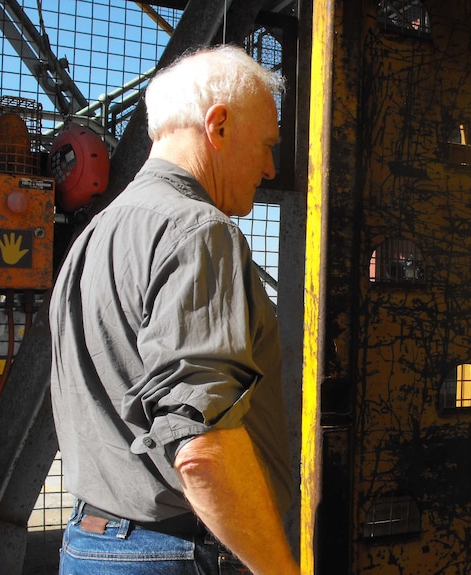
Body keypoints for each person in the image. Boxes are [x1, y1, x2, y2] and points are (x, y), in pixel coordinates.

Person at [49, 44, 299, 575]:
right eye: (267, 144)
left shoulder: (94, 237)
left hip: (90, 544)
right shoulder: (201, 231)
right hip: (174, 553)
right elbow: (202, 450)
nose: (271, 166)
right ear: (220, 125)